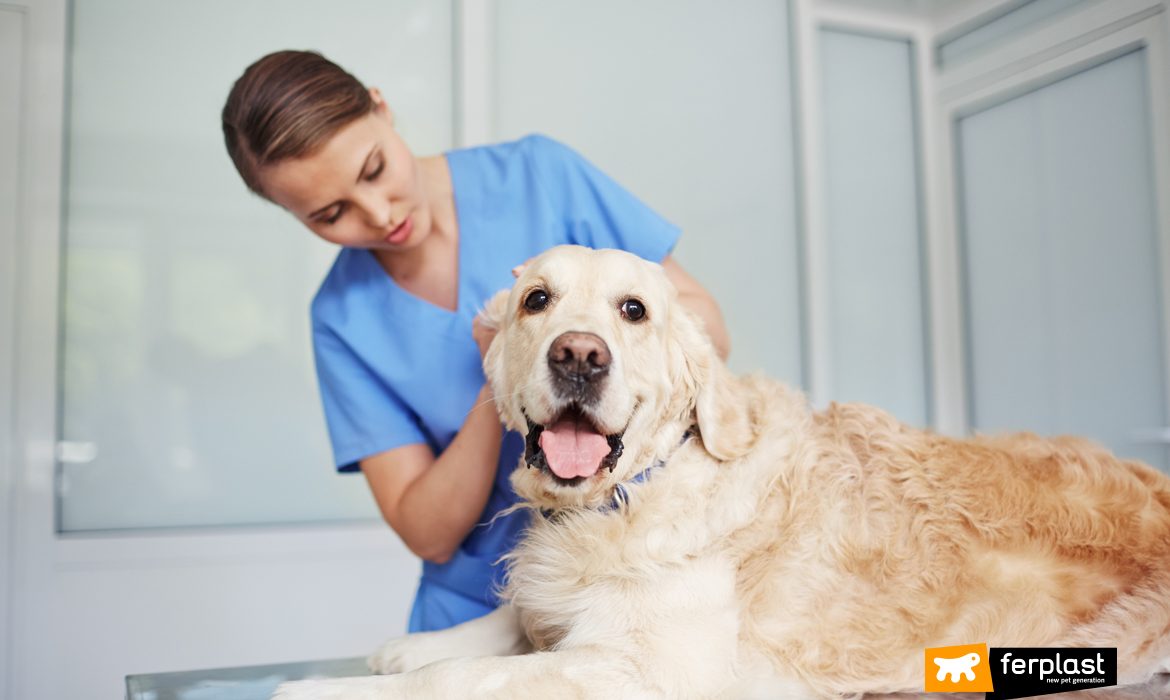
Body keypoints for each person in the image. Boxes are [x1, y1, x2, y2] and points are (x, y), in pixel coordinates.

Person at [221, 50, 730, 633]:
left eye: (373, 169)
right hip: (471, 608)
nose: (379, 214)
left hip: (624, 579)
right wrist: (504, 364)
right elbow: (428, 534)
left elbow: (709, 329)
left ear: (382, 108)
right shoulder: (341, 319)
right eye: (331, 213)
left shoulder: (543, 176)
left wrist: (607, 330)